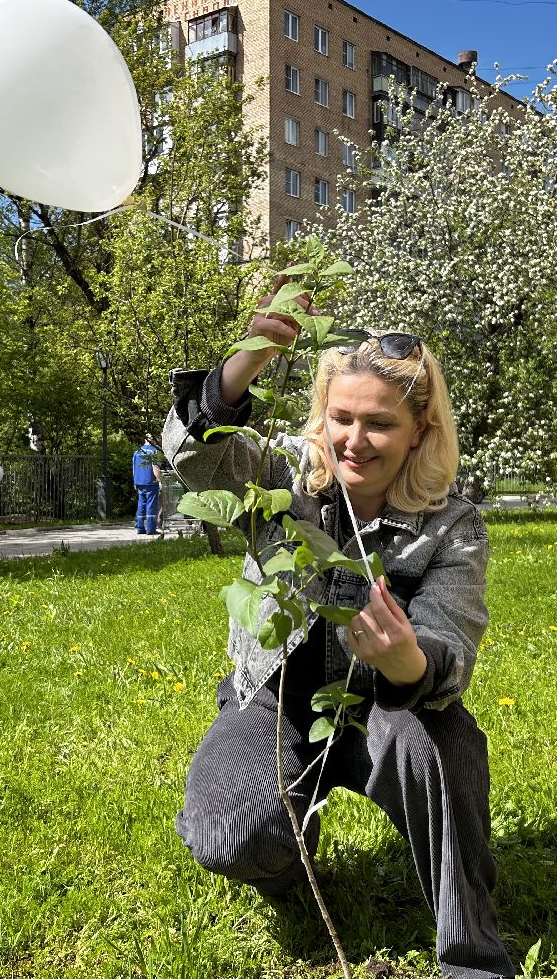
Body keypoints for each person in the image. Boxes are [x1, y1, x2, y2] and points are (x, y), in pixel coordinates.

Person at [162, 285, 513, 979]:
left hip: (391, 705)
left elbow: (452, 645)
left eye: (380, 424)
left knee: (444, 755)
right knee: (225, 834)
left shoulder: (452, 525)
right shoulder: (282, 478)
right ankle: (287, 853)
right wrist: (247, 359)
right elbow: (195, 462)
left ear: (420, 430)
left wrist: (409, 661)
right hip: (277, 698)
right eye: (340, 418)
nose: (355, 440)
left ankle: (473, 960)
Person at [133, 433, 163, 535]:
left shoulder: (137, 452)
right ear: (154, 440)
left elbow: (134, 468)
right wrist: (160, 481)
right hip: (151, 482)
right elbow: (155, 468)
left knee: (141, 504)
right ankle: (151, 529)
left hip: (139, 482)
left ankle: (140, 528)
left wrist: (135, 482)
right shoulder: (154, 451)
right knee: (151, 505)